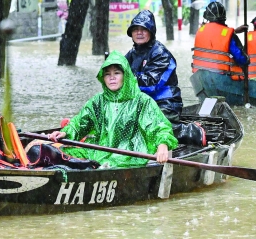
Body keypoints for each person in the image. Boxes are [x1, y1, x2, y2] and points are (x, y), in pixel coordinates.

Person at [48, 52, 178, 168]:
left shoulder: (142, 101)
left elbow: (158, 126)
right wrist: (65, 133)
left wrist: (163, 145)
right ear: (103, 78)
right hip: (98, 149)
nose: (112, 78)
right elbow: (80, 123)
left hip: (130, 154)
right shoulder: (97, 101)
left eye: (117, 73)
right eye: (107, 74)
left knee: (112, 162)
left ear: (125, 75)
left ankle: (96, 168)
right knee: (59, 153)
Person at [125, 10, 183, 123]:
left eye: (143, 29)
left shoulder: (161, 54)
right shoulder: (132, 53)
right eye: (135, 29)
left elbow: (151, 84)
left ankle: (193, 132)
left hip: (165, 103)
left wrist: (125, 78)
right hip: (141, 102)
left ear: (151, 32)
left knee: (155, 128)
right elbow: (119, 70)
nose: (139, 33)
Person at [191, 2, 250, 78]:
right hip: (222, 77)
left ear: (207, 17)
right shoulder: (229, 35)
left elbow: (215, 36)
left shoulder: (200, 31)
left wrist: (235, 32)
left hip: (200, 75)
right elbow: (241, 58)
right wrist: (247, 59)